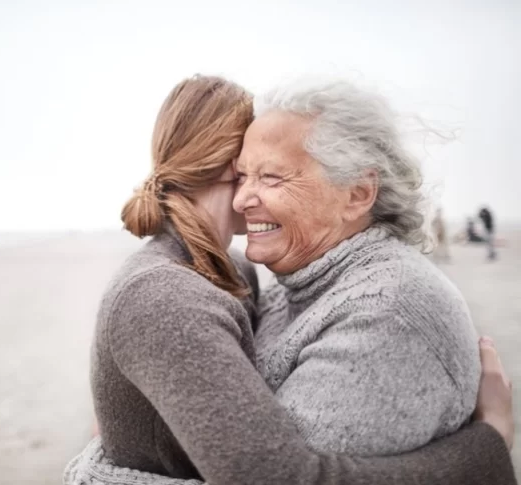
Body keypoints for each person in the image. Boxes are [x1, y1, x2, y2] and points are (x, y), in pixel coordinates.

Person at [65, 76, 517, 485]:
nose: (244, 198)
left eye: (271, 177)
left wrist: (102, 475)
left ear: (357, 194)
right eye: (242, 176)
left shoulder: (388, 309)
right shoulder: (282, 284)